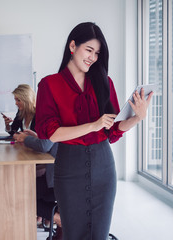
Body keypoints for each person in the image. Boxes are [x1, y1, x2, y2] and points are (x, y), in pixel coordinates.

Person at [35, 22, 153, 240]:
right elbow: (50, 133)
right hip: (69, 168)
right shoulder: (49, 85)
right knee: (73, 233)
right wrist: (93, 125)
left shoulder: (104, 82)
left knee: (99, 234)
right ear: (72, 46)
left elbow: (114, 130)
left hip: (103, 166)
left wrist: (138, 117)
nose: (93, 57)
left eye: (97, 53)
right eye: (88, 50)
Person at [14, 130, 62, 240]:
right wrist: (35, 137)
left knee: (19, 192)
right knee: (23, 189)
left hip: (58, 182)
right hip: (61, 179)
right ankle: (55, 217)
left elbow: (44, 146)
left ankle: (57, 218)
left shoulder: (55, 115)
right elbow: (50, 143)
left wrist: (26, 138)